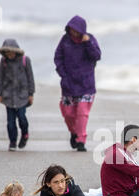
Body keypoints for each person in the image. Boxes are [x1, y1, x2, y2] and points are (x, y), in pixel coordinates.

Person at [54, 15, 101, 152]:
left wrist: (87, 43)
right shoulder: (65, 40)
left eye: (76, 30)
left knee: (82, 112)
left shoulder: (90, 39)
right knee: (68, 113)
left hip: (86, 85)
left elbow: (96, 56)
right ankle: (74, 132)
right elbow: (58, 58)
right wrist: (63, 75)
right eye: (72, 30)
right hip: (68, 84)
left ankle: (81, 140)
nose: (74, 32)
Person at [0, 38, 35, 151]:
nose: (9, 54)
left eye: (11, 52)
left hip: (22, 96)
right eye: (6, 52)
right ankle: (12, 142)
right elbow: (0, 77)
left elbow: (30, 77)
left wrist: (31, 93)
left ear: (16, 51)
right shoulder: (3, 61)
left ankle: (25, 134)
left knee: (22, 118)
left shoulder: (25, 60)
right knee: (10, 122)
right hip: (8, 96)